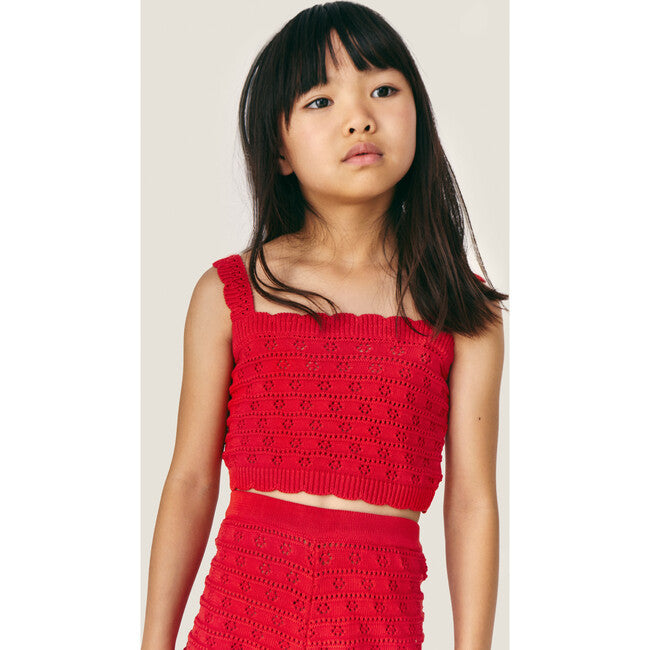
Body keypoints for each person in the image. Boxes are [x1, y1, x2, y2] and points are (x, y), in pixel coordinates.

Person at [142, 2, 507, 648]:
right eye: (320, 101)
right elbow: (192, 481)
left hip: (378, 628)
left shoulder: (460, 309)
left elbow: (472, 502)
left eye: (383, 90)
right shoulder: (232, 294)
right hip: (238, 625)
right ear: (279, 150)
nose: (359, 116)